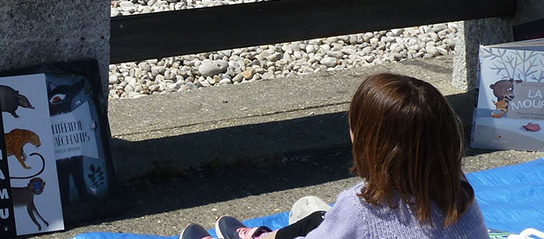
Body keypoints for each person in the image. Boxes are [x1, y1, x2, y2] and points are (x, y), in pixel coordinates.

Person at [183, 73, 488, 239]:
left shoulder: (363, 207)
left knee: (321, 223)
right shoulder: (459, 192)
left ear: (370, 143)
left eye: (355, 126)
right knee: (319, 218)